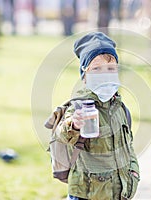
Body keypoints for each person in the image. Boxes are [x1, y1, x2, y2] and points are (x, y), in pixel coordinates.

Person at [56, 32, 140, 200]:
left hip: (118, 192)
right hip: (86, 194)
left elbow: (127, 146)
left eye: (110, 69)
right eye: (96, 69)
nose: (105, 74)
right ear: (84, 75)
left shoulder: (120, 108)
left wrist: (134, 171)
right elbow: (61, 133)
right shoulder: (79, 105)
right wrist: (73, 124)